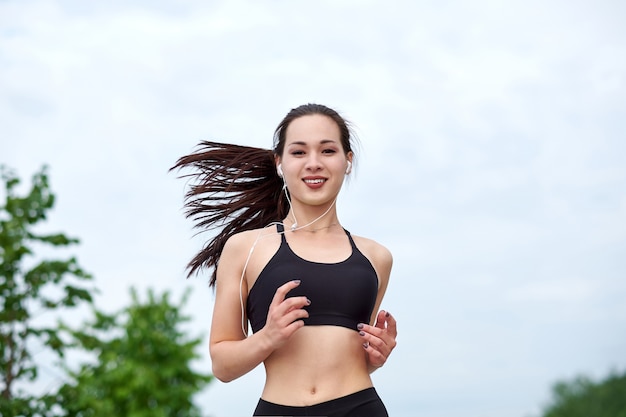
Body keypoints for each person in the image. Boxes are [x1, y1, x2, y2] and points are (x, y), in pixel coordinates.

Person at [172, 103, 397, 417]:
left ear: (348, 161)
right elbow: (223, 366)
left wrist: (373, 357)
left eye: (328, 151)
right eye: (299, 152)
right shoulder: (246, 248)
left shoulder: (376, 257)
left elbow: (352, 354)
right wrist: (267, 337)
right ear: (280, 162)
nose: (314, 163)